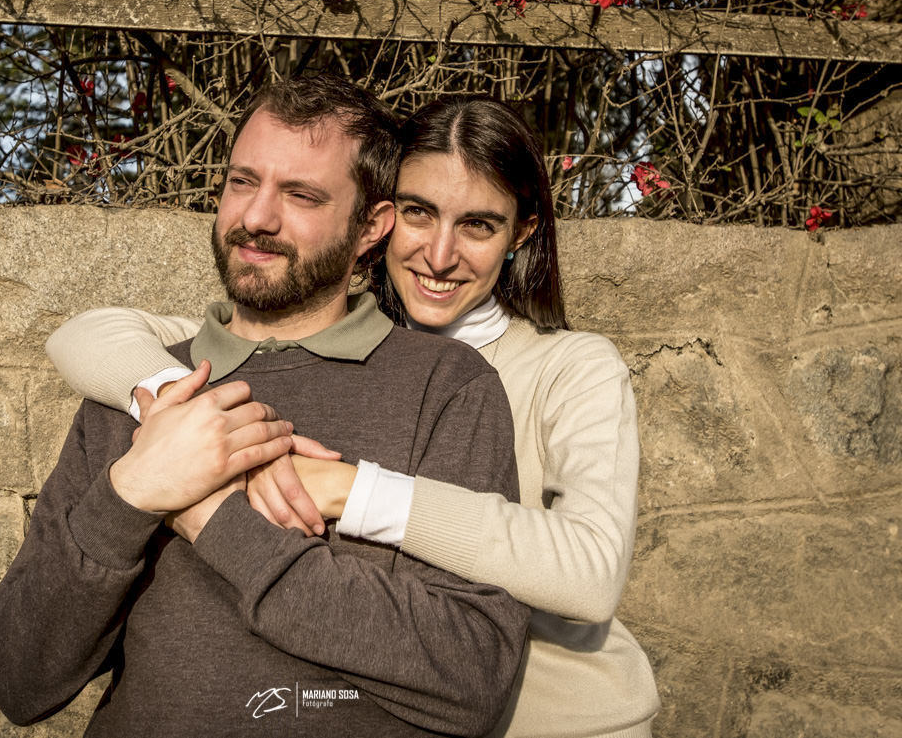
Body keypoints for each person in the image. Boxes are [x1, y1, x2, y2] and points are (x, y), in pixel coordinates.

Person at [46, 94, 661, 738]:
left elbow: (591, 575)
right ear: (380, 221)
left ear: (521, 235)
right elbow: (91, 336)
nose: (440, 255)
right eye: (420, 215)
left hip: (564, 719)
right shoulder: (339, 340)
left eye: (478, 226)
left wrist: (351, 488)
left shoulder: (571, 366)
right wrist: (196, 419)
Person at [0, 76, 530, 737]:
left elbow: (471, 676)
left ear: (370, 227)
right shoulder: (143, 394)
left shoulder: (446, 387)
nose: (256, 217)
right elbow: (20, 679)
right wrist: (130, 494)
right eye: (243, 182)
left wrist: (212, 513)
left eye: (300, 195)